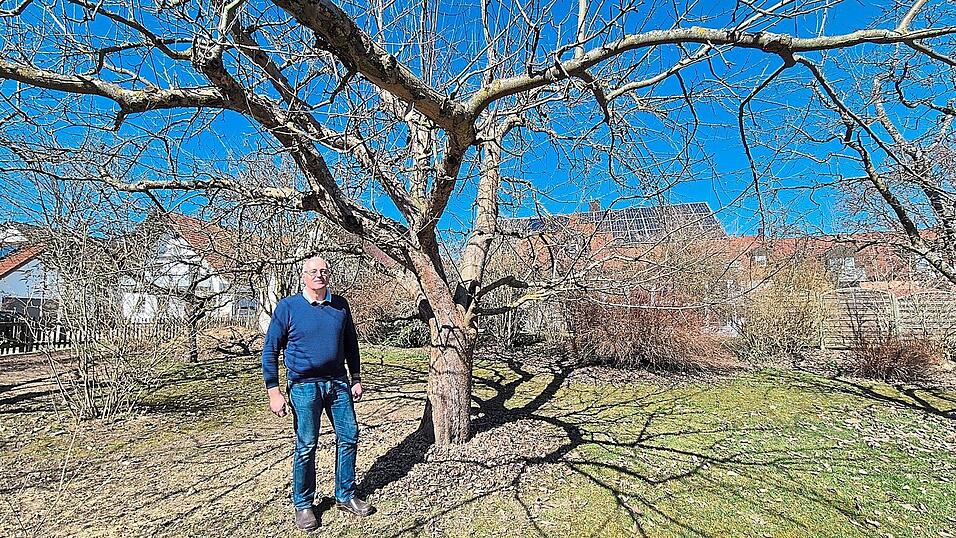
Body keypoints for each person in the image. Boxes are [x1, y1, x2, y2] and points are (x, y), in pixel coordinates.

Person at [261, 256, 373, 532]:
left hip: (337, 383)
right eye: (313, 271)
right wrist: (274, 391)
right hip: (303, 386)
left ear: (329, 275)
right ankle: (303, 504)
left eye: (323, 271)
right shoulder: (288, 307)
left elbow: (351, 344)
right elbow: (270, 350)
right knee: (307, 445)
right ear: (304, 276)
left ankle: (345, 495)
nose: (319, 276)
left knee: (349, 436)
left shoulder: (340, 305)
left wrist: (355, 377)